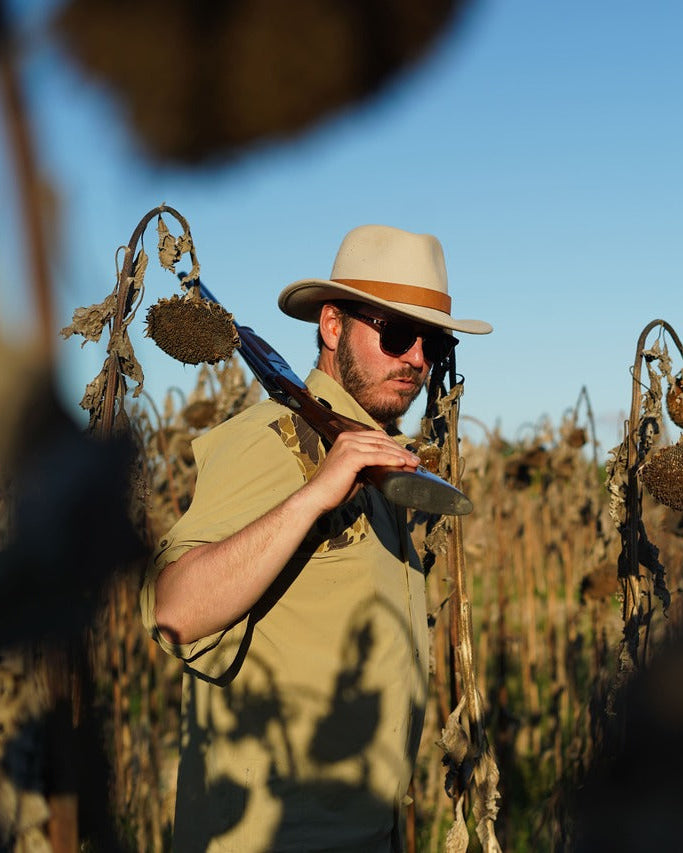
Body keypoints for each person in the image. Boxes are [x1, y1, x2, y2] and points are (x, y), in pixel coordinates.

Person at [140, 224, 492, 852]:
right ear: (333, 326)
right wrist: (311, 498)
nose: (416, 359)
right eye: (396, 333)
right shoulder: (277, 442)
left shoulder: (374, 463)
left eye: (431, 343)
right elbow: (174, 611)